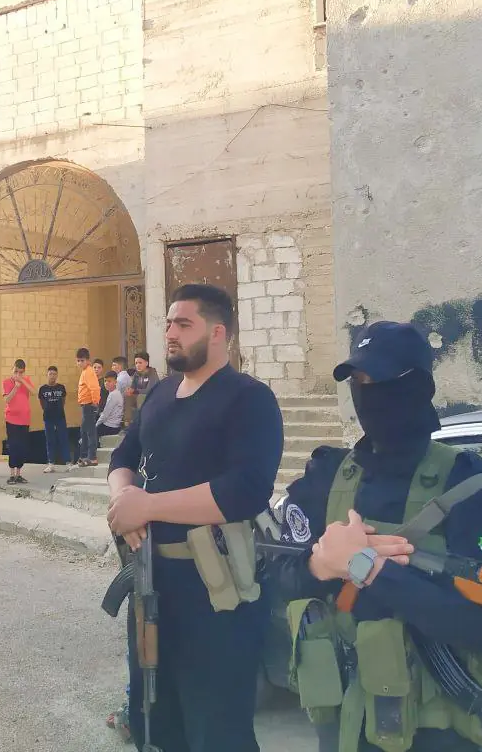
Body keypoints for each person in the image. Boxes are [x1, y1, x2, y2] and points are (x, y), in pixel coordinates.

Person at [269, 320, 482, 752]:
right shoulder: (328, 476)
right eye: (358, 381)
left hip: (439, 731)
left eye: (382, 380)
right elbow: (279, 577)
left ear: (418, 387)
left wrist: (366, 567)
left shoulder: (469, 486)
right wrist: (320, 564)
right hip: (345, 726)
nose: (368, 393)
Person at [106, 283, 284, 752]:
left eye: (184, 324)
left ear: (218, 332)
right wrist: (124, 501)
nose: (170, 333)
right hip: (152, 581)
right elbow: (123, 456)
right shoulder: (161, 393)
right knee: (154, 720)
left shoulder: (249, 399)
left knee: (216, 729)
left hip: (217, 591)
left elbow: (245, 490)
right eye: (169, 323)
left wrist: (149, 506)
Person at [2, 359, 35, 484]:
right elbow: (7, 399)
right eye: (16, 371)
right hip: (12, 419)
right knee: (13, 446)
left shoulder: (26, 380)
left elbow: (34, 392)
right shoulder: (6, 382)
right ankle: (12, 475)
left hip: (24, 419)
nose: (18, 374)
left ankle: (18, 474)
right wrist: (16, 387)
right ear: (12, 369)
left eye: (21, 372)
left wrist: (22, 381)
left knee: (22, 447)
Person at [38, 366, 70, 472]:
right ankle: (51, 463)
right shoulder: (42, 389)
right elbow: (42, 403)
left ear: (57, 375)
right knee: (50, 440)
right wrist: (48, 410)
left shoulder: (61, 387)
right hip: (48, 418)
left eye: (54, 374)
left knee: (63, 439)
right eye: (50, 374)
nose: (52, 376)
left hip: (60, 417)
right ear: (47, 375)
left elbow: (63, 401)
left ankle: (68, 463)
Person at [76, 347, 101, 468]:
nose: (80, 363)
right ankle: (85, 455)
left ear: (88, 360)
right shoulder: (85, 371)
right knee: (84, 431)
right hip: (85, 405)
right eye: (78, 361)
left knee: (90, 431)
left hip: (89, 405)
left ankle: (92, 457)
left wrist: (95, 402)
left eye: (82, 360)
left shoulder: (89, 372)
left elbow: (94, 388)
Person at [125, 351, 158, 427]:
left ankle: (141, 423)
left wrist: (136, 391)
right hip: (139, 396)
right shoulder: (136, 374)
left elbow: (150, 389)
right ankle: (127, 422)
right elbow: (133, 387)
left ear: (146, 363)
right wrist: (129, 390)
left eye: (140, 363)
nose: (138, 365)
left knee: (141, 397)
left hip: (152, 397)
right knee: (128, 396)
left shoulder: (152, 373)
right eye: (136, 363)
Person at [96, 371, 124, 443]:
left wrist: (96, 425)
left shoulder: (113, 395)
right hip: (112, 424)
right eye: (105, 381)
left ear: (115, 382)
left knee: (90, 434)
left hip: (111, 426)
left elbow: (105, 415)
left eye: (109, 381)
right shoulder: (114, 393)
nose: (106, 383)